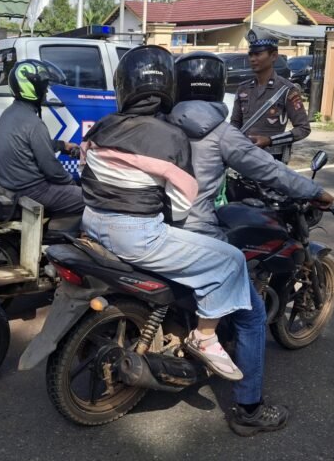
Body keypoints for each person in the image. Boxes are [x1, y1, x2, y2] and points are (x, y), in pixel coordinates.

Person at [167, 51, 334, 436]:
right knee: (252, 313)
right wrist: (316, 191)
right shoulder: (220, 130)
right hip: (197, 229)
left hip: (155, 227)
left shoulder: (160, 121)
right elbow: (269, 168)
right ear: (217, 87)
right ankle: (249, 408)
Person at [80, 45, 250, 381]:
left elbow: (85, 170)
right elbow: (181, 204)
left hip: (91, 223)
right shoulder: (172, 136)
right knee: (232, 260)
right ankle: (204, 337)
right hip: (138, 236)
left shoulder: (100, 127)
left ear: (124, 86)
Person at [0, 59, 84, 216]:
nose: (47, 92)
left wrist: (63, 146)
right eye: (45, 88)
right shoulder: (34, 123)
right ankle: (68, 235)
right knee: (90, 199)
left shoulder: (8, 114)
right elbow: (51, 169)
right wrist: (71, 183)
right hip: (34, 190)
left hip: (13, 185)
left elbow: (28, 144)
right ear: (33, 89)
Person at [230, 28, 311, 163]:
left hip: (272, 161)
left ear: (273, 56)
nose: (253, 59)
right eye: (251, 55)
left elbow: (303, 129)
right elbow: (235, 124)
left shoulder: (286, 90)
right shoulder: (243, 89)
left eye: (258, 54)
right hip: (244, 159)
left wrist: (270, 141)